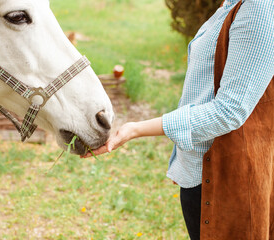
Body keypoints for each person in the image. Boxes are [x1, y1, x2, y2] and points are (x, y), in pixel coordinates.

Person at [83, 0, 274, 239]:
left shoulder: (260, 7)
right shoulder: (231, 3)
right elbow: (203, 90)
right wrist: (184, 162)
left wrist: (135, 129)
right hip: (200, 172)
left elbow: (230, 110)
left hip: (225, 179)